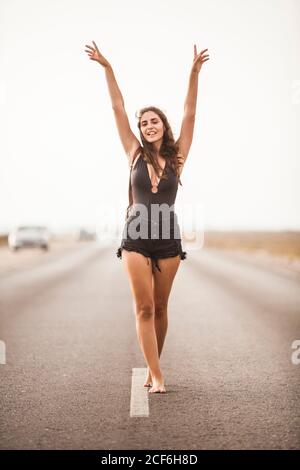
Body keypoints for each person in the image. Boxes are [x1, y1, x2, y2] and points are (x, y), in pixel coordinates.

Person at [85, 41, 209, 393]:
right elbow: (117, 106)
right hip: (136, 236)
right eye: (144, 122)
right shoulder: (133, 153)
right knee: (143, 308)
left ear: (163, 126)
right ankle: (157, 376)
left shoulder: (177, 158)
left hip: (168, 238)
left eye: (154, 121)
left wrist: (194, 73)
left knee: (160, 307)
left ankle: (154, 365)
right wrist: (108, 68)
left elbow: (190, 114)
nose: (148, 125)